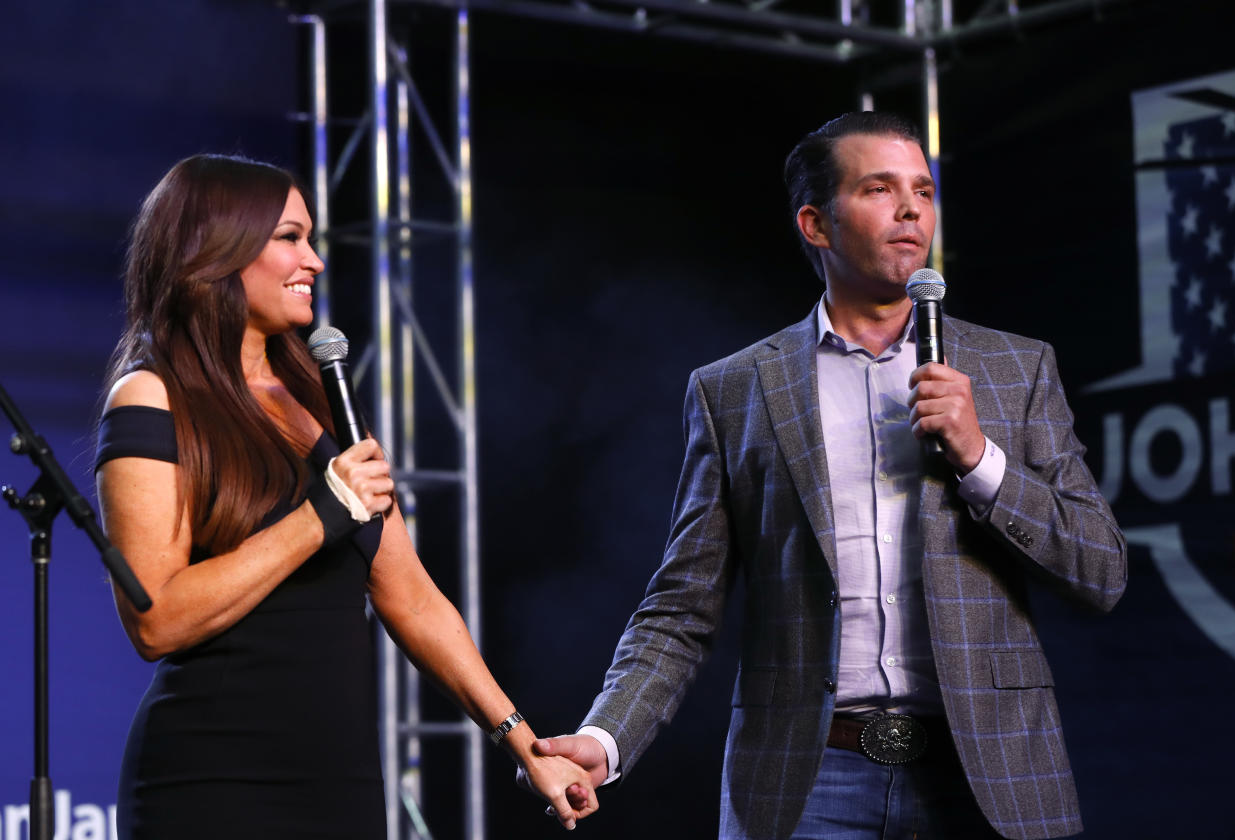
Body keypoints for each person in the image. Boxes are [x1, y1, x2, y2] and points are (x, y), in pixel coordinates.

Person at [524, 112, 1127, 839]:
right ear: (815, 222)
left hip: (986, 776)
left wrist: (980, 459)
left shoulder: (1013, 369)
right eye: (879, 188)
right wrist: (605, 737)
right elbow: (682, 607)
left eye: (923, 191)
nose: (911, 210)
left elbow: (1101, 570)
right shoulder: (735, 390)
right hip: (807, 782)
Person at [95, 153, 596, 838]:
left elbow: (412, 596)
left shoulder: (319, 399)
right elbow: (155, 620)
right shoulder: (154, 396)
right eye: (290, 238)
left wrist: (526, 744)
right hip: (212, 778)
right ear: (218, 247)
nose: (316, 262)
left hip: (339, 781)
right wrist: (322, 513)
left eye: (313, 240)